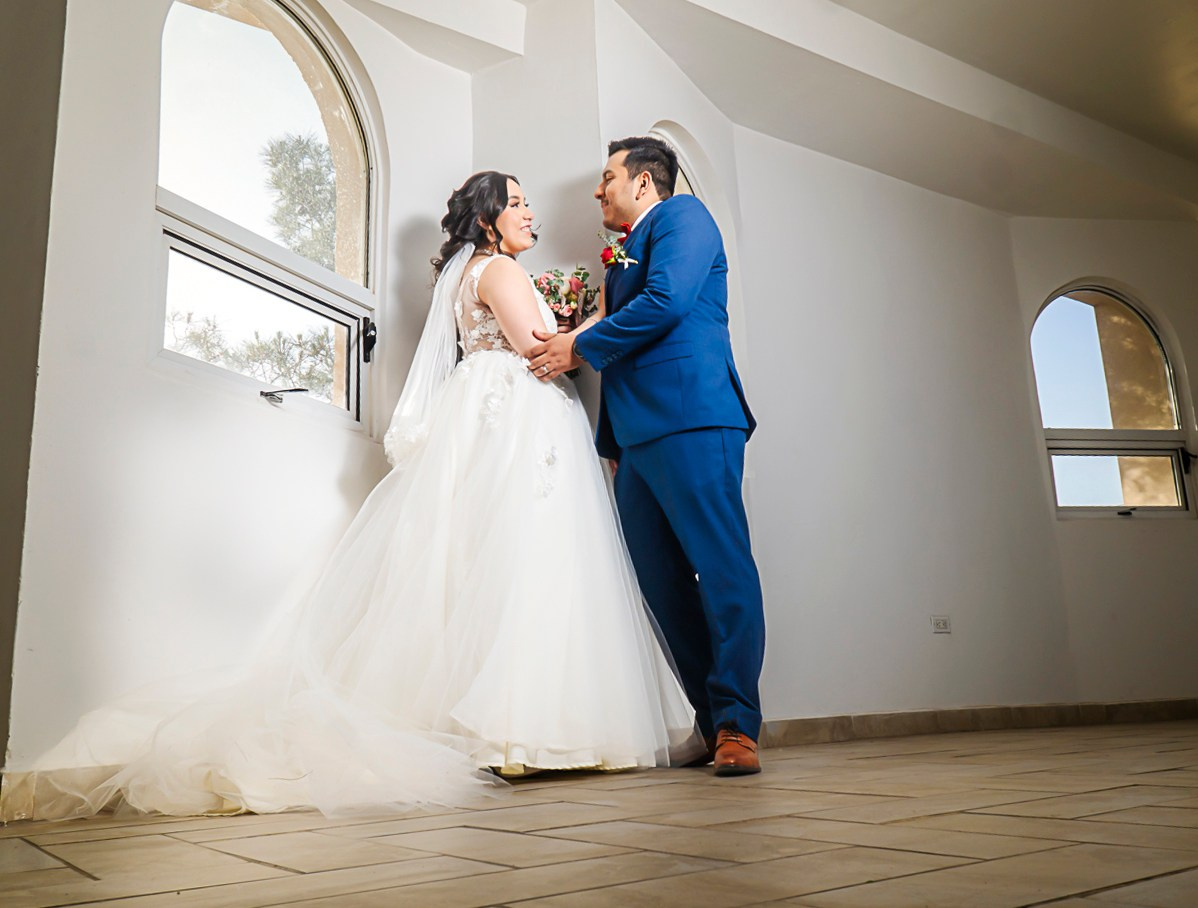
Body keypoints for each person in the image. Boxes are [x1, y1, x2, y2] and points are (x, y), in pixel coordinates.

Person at [4, 171, 697, 821]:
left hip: (483, 412)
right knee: (531, 561)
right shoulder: (502, 270)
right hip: (518, 412)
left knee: (485, 564)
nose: (530, 213)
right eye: (516, 203)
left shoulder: (465, 276)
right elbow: (533, 348)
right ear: (488, 220)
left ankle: (508, 729)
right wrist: (590, 322)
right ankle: (532, 731)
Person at [527, 137, 766, 776]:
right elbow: (624, 341)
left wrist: (577, 347)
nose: (597, 190)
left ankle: (738, 725)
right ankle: (710, 721)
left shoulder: (685, 216)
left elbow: (668, 302)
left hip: (693, 417)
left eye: (607, 177)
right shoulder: (618, 255)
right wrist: (611, 443)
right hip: (633, 442)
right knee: (659, 584)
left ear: (643, 182)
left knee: (721, 569)